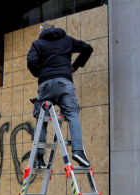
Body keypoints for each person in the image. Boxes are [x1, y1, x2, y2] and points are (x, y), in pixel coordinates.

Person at [27, 22, 93, 168]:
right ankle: (78, 151)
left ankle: (39, 159)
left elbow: (31, 61)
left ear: (42, 30)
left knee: (42, 120)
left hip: (45, 86)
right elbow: (88, 49)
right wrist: (74, 67)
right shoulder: (67, 40)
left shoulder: (38, 43)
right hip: (64, 82)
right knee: (72, 115)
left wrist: (40, 73)